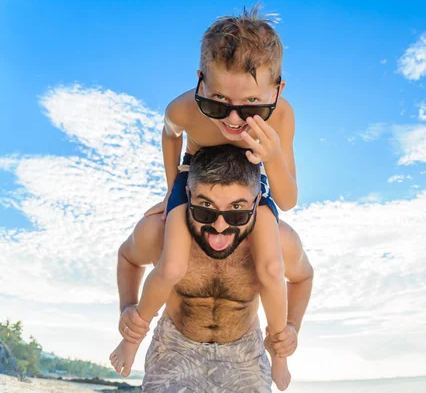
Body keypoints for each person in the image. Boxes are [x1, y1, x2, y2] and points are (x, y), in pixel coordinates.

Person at [109, 5, 299, 390]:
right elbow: (169, 133)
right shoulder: (185, 109)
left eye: (251, 107)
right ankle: (131, 340)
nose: (232, 120)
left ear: (277, 91)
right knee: (173, 265)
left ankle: (278, 354)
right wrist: (171, 190)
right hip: (195, 174)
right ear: (199, 83)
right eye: (216, 102)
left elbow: (288, 197)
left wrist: (274, 155)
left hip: (249, 182)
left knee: (270, 269)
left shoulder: (281, 117)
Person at [111, 145, 313, 392]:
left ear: (257, 202)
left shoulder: (281, 242)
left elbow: (303, 277)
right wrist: (127, 308)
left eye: (237, 210)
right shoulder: (158, 231)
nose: (219, 226)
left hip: (245, 353)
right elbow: (128, 258)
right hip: (174, 346)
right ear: (187, 196)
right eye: (206, 208)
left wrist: (291, 327)